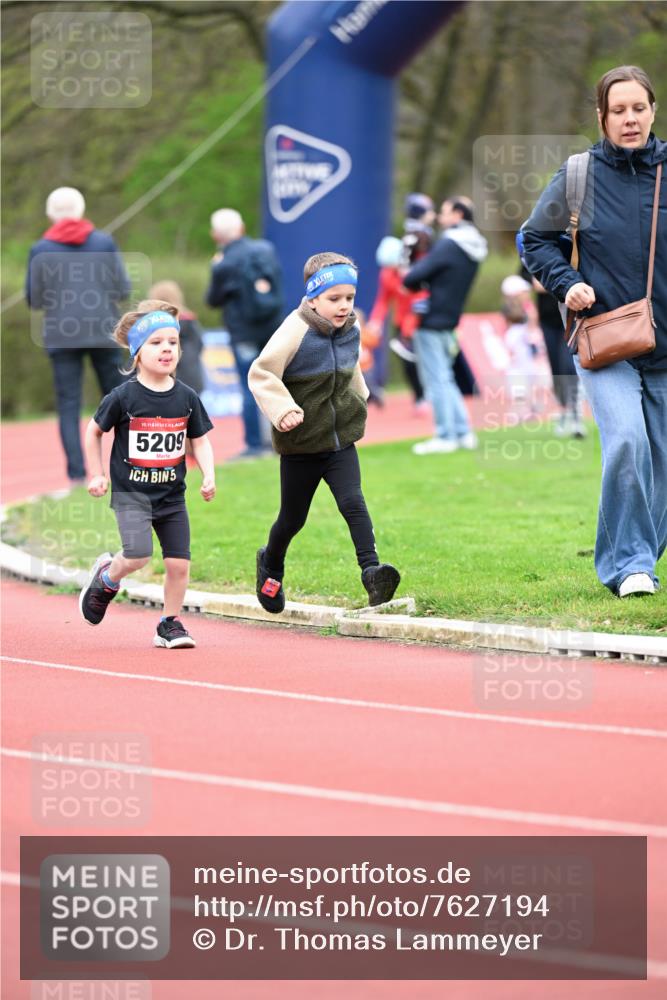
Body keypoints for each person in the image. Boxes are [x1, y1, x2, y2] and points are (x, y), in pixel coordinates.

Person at [523, 65, 666, 598]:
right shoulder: (579, 174)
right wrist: (567, 284)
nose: (630, 119)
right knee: (627, 440)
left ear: (653, 110)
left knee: (664, 465)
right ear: (601, 117)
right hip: (606, 340)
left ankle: (637, 555)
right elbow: (535, 239)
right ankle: (630, 564)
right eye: (618, 110)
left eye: (639, 108)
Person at [248, 252, 400, 613]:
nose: (344, 306)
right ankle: (270, 564)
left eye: (349, 297)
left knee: (353, 502)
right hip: (302, 442)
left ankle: (372, 573)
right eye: (334, 299)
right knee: (292, 518)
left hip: (340, 440)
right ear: (313, 298)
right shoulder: (294, 330)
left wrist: (359, 399)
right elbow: (261, 373)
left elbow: (350, 370)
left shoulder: (352, 326)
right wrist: (282, 409)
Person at [80, 299, 216, 648]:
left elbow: (199, 441)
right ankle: (107, 578)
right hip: (132, 495)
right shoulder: (123, 397)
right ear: (138, 352)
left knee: (179, 565)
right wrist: (96, 474)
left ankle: (169, 624)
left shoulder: (186, 397)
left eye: (173, 342)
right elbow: (93, 432)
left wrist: (208, 475)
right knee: (138, 556)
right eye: (156, 343)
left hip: (172, 497)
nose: (167, 349)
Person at [25, 186, 130, 485]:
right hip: (103, 329)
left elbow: (34, 297)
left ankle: (76, 475)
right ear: (81, 210)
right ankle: (127, 468)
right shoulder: (104, 242)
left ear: (50, 214)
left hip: (62, 334)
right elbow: (122, 289)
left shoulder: (41, 249)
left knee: (68, 404)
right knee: (121, 399)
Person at [403, 196, 488, 454]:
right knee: (446, 378)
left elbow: (412, 277)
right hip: (451, 319)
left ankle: (445, 435)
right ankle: (462, 432)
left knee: (437, 380)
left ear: (458, 214)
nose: (440, 217)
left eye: (445, 211)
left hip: (430, 318)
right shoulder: (475, 245)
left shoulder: (449, 244)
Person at [206, 208, 284, 459]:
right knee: (276, 383)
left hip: (244, 333)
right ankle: (282, 439)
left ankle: (254, 446)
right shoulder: (266, 250)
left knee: (250, 386)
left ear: (216, 235)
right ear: (241, 228)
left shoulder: (224, 263)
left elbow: (212, 299)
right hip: (273, 328)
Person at [368, 235, 428, 413]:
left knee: (425, 360)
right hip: (401, 323)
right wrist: (376, 322)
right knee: (408, 364)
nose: (389, 269)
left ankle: (429, 395)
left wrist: (410, 327)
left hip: (420, 322)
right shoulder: (386, 274)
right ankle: (419, 398)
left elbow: (420, 299)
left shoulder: (415, 270)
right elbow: (383, 300)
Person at [147, 280, 204, 395]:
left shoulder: (152, 325)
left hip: (164, 382)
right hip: (192, 379)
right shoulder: (190, 321)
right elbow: (200, 346)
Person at [500, 275, 540, 421]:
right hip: (517, 348)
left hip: (524, 347)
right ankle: (519, 410)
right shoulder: (511, 310)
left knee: (529, 376)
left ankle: (528, 408)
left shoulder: (528, 308)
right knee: (517, 379)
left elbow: (532, 326)